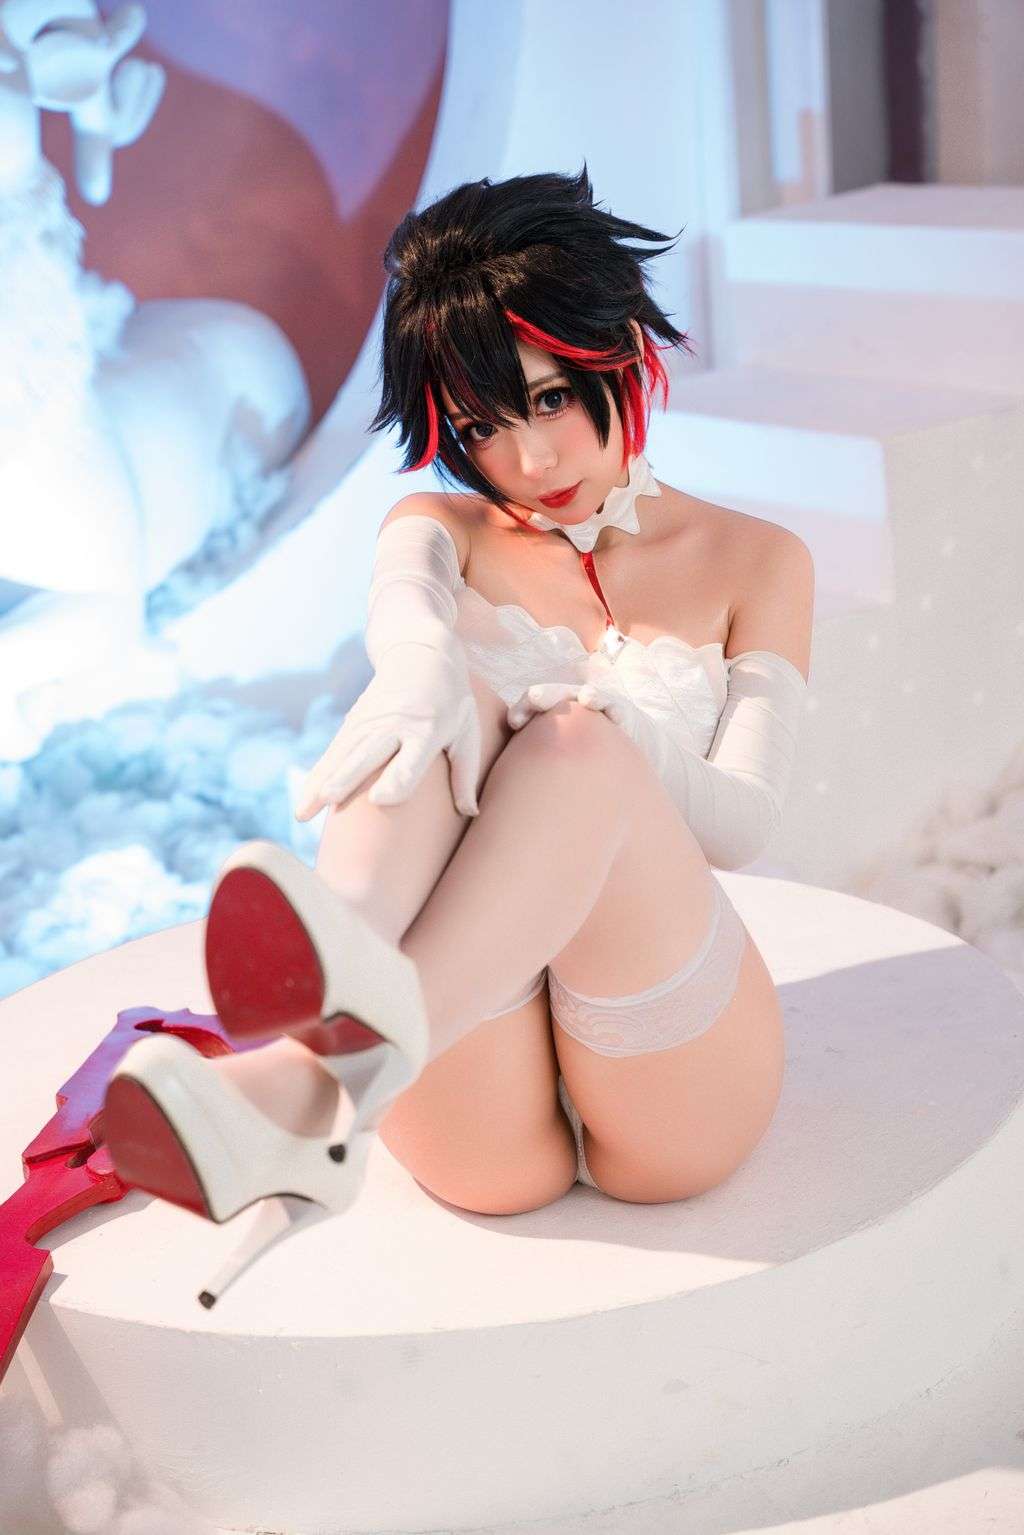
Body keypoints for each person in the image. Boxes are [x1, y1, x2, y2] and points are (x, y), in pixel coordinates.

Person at [101, 166, 813, 1308]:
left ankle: (309, 1090)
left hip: (675, 1068)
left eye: (550, 398)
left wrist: (618, 727)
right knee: (433, 695)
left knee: (576, 747)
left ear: (623, 346)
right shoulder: (442, 526)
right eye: (482, 425)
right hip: (479, 1073)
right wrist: (425, 667)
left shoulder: (757, 559)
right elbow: (407, 612)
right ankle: (335, 982)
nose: (530, 461)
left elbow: (744, 824)